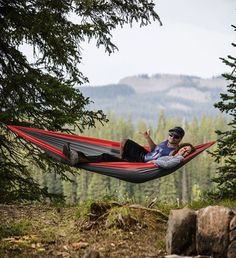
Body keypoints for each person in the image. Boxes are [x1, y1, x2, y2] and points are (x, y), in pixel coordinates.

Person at [63, 126, 185, 165]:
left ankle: (78, 157)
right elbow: (154, 149)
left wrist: (150, 164)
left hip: (142, 163)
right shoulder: (165, 142)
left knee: (105, 156)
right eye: (171, 134)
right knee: (125, 142)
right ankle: (121, 156)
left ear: (180, 139)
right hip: (144, 154)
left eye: (176, 137)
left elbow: (166, 162)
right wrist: (147, 138)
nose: (172, 137)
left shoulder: (174, 151)